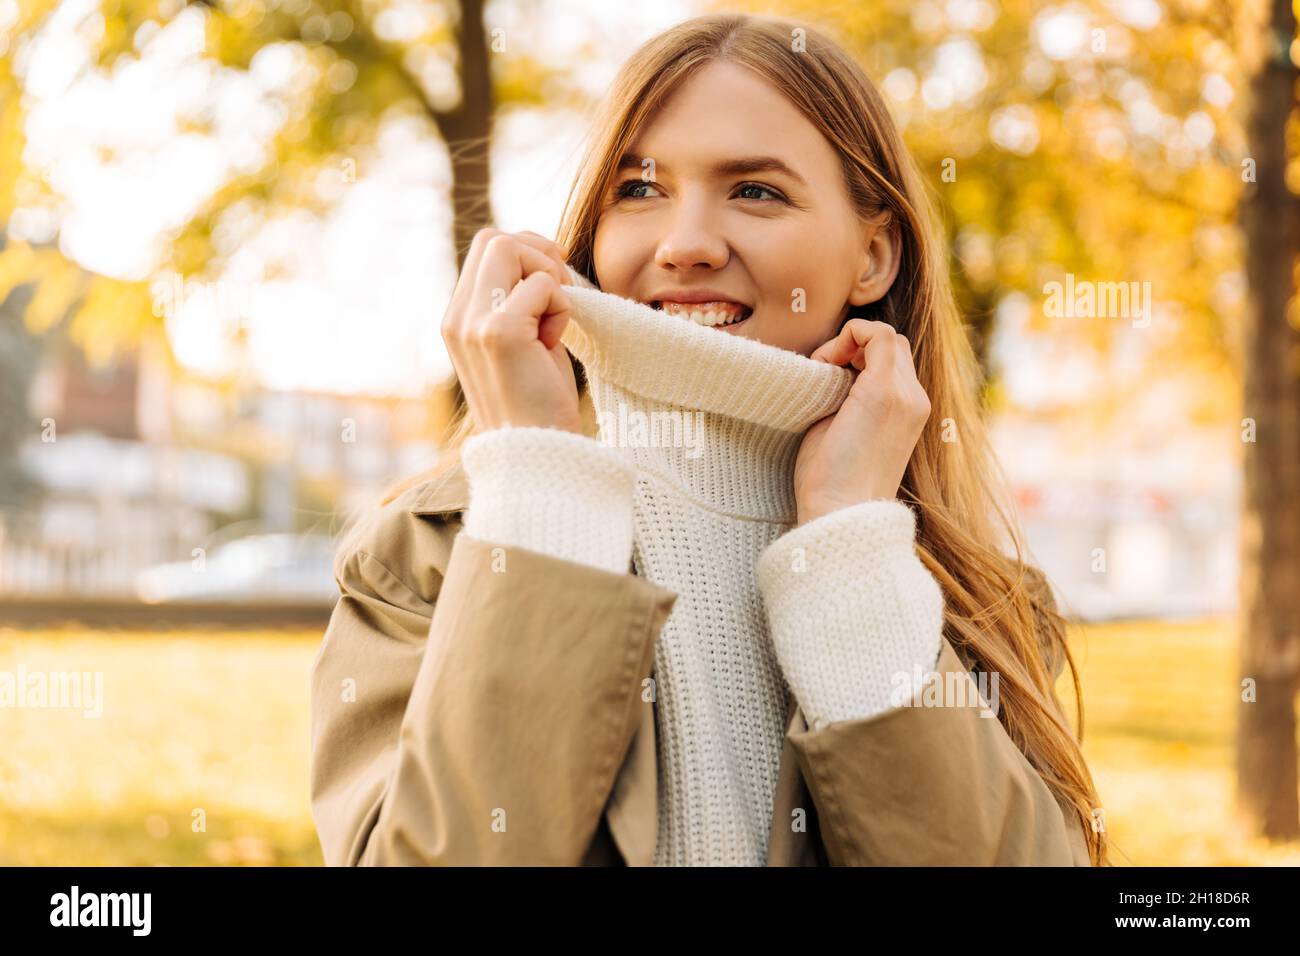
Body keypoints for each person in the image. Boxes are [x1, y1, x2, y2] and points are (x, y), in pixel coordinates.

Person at [309, 11, 1108, 867]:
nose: (685, 243)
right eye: (640, 189)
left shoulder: (982, 605)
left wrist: (851, 555)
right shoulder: (425, 560)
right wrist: (542, 505)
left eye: (755, 191)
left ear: (873, 257)